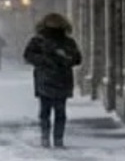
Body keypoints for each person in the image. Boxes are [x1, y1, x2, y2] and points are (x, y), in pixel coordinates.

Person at [23, 13, 82, 149]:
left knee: (47, 111)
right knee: (58, 112)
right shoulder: (66, 42)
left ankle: (49, 138)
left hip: (47, 80)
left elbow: (28, 56)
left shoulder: (39, 41)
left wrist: (48, 61)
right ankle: (56, 139)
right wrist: (58, 60)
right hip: (60, 81)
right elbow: (77, 59)